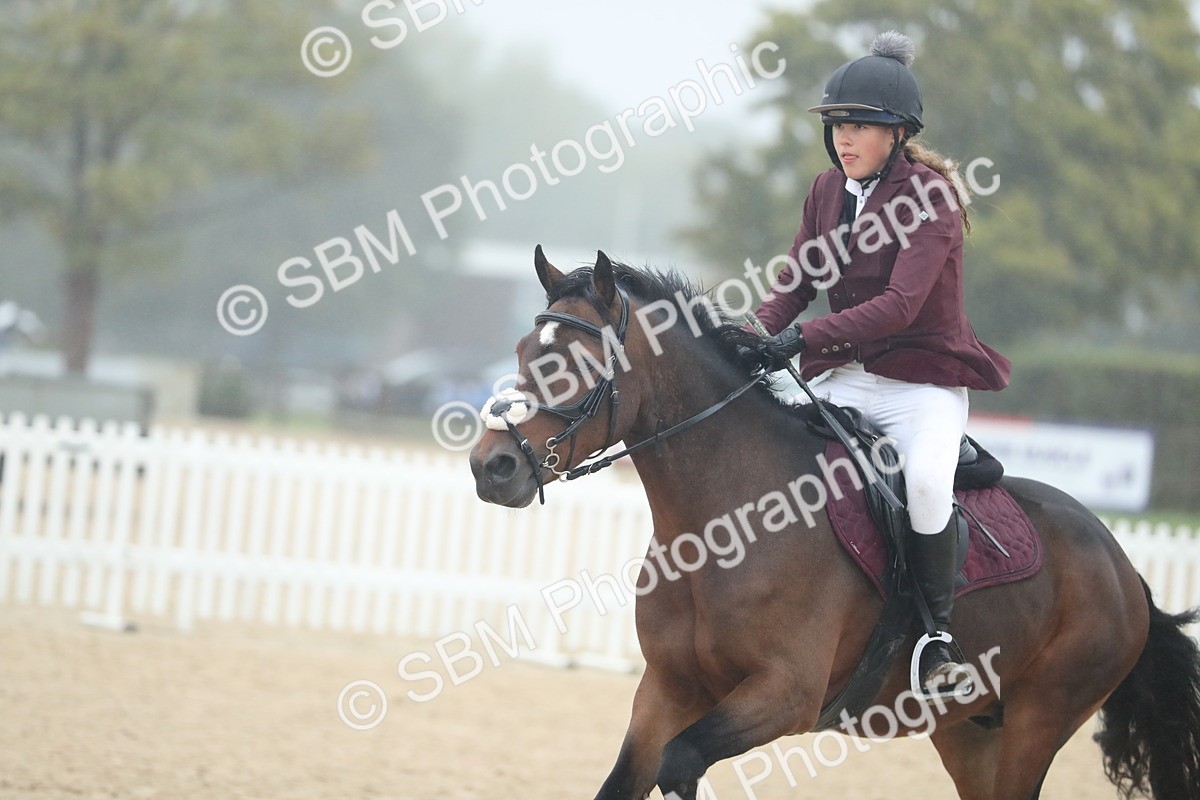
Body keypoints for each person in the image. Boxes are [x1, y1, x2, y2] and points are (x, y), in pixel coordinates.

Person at [753, 31, 1011, 696]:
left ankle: (936, 635)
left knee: (925, 483)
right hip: (844, 377)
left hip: (921, 385)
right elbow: (795, 283)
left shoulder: (931, 198)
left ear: (896, 134)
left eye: (861, 126)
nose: (845, 137)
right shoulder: (824, 191)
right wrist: (753, 335)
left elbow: (899, 307)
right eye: (839, 124)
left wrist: (804, 342)